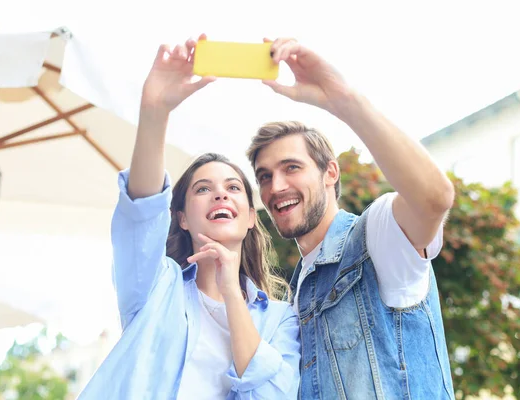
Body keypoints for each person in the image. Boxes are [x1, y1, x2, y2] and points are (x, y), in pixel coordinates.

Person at [77, 35, 300, 400]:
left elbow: (273, 396)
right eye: (202, 189)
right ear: (180, 218)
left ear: (248, 217)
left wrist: (231, 290)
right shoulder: (155, 287)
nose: (220, 194)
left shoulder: (280, 319)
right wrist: (155, 110)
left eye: (233, 187)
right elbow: (140, 210)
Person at [246, 38, 456, 399]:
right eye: (264, 176)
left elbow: (435, 198)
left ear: (330, 173)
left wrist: (343, 100)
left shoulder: (375, 236)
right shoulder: (295, 297)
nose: (275, 186)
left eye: (291, 168)